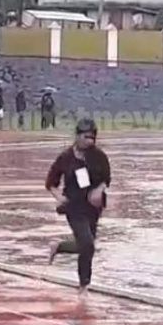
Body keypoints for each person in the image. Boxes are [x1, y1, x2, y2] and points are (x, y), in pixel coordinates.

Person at [46, 118, 111, 295]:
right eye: (86, 137)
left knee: (85, 246)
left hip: (93, 207)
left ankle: (58, 246)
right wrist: (58, 197)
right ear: (77, 136)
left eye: (92, 137)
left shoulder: (98, 156)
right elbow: (51, 182)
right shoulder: (66, 158)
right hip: (73, 207)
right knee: (88, 245)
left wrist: (99, 190)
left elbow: (106, 179)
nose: (89, 141)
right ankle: (84, 285)